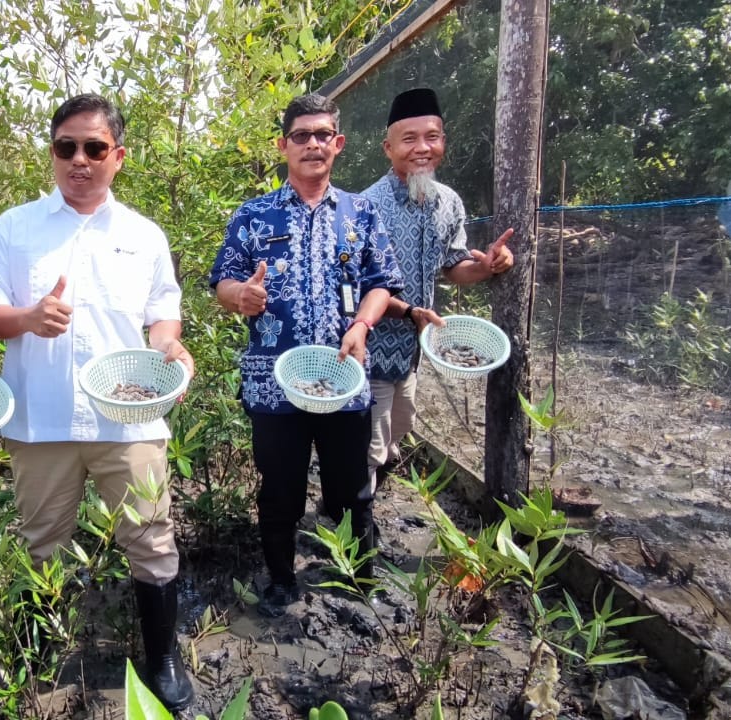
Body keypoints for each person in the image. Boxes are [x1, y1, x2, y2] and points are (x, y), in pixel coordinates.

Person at [0, 93, 197, 712]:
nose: (79, 159)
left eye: (94, 148)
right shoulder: (14, 228)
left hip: (127, 418)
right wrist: (27, 317)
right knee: (41, 540)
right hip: (40, 419)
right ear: (51, 153)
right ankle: (36, 661)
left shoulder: (143, 235)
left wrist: (170, 349)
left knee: (151, 538)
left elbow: (162, 317)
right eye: (65, 146)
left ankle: (163, 662)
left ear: (117, 156)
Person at [208, 93, 404, 618]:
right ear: (284, 146)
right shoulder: (253, 215)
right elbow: (221, 280)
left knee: (351, 488)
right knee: (281, 487)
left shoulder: (361, 213)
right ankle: (279, 578)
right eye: (301, 135)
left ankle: (357, 580)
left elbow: (382, 284)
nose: (313, 144)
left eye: (323, 135)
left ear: (338, 144)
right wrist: (240, 297)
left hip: (343, 379)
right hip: (274, 383)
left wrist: (363, 323)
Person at [363, 88, 513, 489]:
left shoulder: (448, 203)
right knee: (371, 447)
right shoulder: (365, 207)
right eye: (409, 139)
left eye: (432, 137)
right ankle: (354, 527)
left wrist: (485, 267)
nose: (422, 148)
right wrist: (407, 311)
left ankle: (366, 483)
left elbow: (453, 265)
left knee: (402, 424)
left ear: (443, 142)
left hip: (414, 350)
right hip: (370, 349)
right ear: (388, 148)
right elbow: (358, 286)